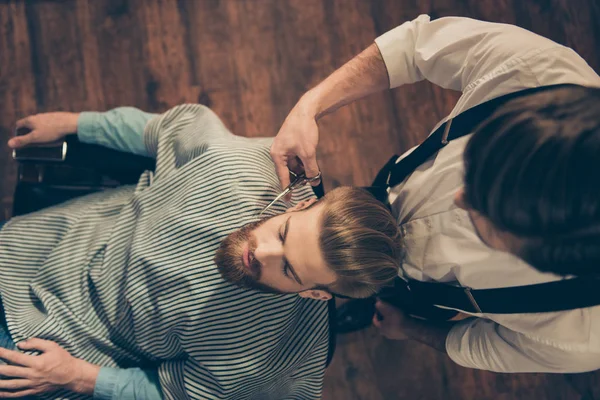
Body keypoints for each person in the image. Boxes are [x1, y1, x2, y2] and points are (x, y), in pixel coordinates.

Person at [270, 14, 600, 373]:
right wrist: (311, 105)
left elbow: (481, 344)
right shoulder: (542, 74)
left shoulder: (580, 335)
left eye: (484, 216)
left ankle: (366, 306)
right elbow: (415, 48)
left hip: (419, 297)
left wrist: (410, 327)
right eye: (475, 168)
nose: (458, 197)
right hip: (385, 190)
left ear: (545, 261)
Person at [0, 105, 401, 399]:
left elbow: (177, 392)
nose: (261, 252)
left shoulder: (269, 357)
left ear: (316, 293)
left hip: (51, 346)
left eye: (290, 270)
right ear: (298, 205)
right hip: (31, 249)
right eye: (282, 233)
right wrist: (75, 124)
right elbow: (158, 130)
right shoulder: (237, 167)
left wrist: (76, 375)